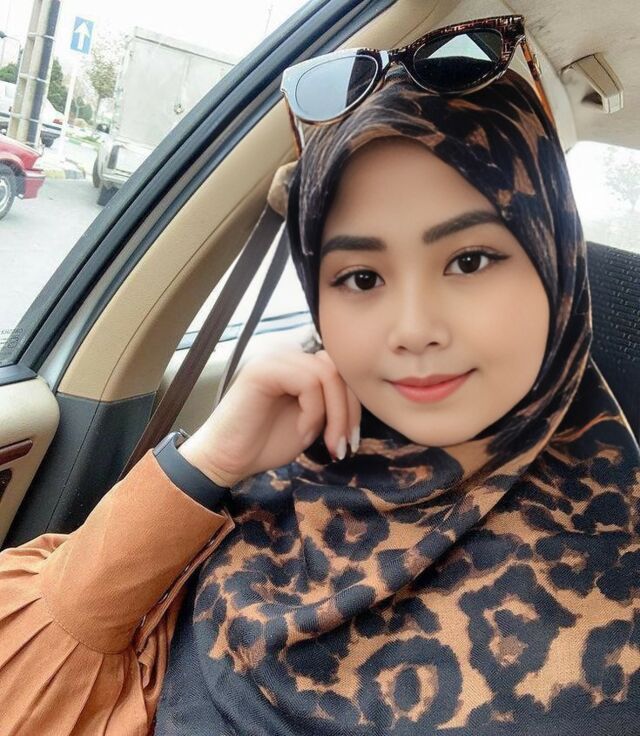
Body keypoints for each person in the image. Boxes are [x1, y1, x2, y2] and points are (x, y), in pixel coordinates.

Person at [0, 60, 638, 736]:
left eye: (469, 261)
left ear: (554, 266)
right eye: (361, 276)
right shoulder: (297, 466)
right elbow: (28, 680)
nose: (413, 328)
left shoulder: (610, 603)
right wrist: (209, 462)